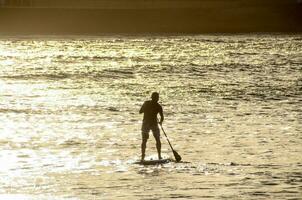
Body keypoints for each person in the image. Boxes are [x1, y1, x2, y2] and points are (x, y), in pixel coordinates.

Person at [139, 92, 164, 161]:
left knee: (155, 139)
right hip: (148, 123)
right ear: (152, 97)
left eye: (157, 98)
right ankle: (143, 156)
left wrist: (161, 121)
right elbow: (140, 111)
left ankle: (158, 155)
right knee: (145, 140)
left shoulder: (155, 105)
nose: (157, 99)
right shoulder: (157, 106)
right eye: (156, 98)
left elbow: (162, 117)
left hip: (150, 123)